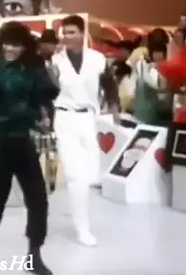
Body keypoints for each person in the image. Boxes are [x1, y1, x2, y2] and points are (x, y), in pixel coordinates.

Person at [0, 21, 58, 275]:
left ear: (24, 46)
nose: (10, 49)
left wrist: (43, 115)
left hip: (24, 141)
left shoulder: (33, 68)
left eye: (16, 45)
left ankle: (34, 256)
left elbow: (43, 97)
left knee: (38, 200)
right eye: (7, 43)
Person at [51, 15, 116, 246]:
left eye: (72, 32)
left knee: (89, 176)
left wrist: (114, 111)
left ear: (82, 33)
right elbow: (48, 91)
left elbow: (109, 86)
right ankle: (82, 228)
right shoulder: (56, 61)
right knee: (74, 176)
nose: (67, 36)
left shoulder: (97, 59)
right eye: (64, 32)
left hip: (89, 118)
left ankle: (81, 217)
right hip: (64, 117)